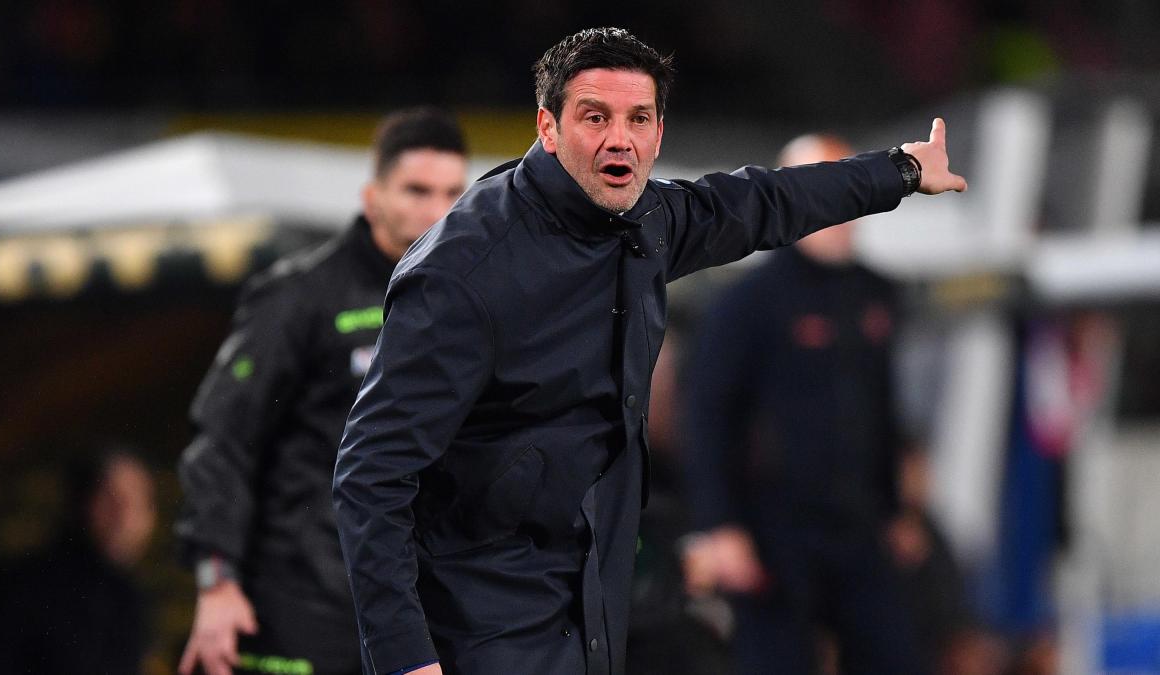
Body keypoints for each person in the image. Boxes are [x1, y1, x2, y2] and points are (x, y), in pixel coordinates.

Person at [332, 27, 966, 675]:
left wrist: (901, 170)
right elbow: (371, 475)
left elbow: (767, 199)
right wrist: (404, 655)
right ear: (547, 128)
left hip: (592, 598)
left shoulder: (648, 221)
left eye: (638, 118)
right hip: (479, 612)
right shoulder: (463, 272)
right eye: (595, 117)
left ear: (659, 134)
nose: (620, 138)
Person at [175, 108, 469, 675]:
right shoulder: (298, 297)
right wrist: (216, 580)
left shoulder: (468, 304)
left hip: (418, 603)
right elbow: (223, 439)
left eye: (452, 192)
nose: (436, 210)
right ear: (372, 197)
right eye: (416, 190)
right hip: (300, 602)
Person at [679, 133, 936, 674]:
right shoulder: (747, 302)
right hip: (774, 529)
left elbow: (885, 411)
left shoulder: (876, 294)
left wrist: (900, 510)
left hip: (860, 522)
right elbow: (708, 416)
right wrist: (721, 525)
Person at [0, 448, 157, 675]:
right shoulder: (14, 586)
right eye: (111, 499)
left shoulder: (129, 597)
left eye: (139, 502)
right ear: (80, 502)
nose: (125, 517)